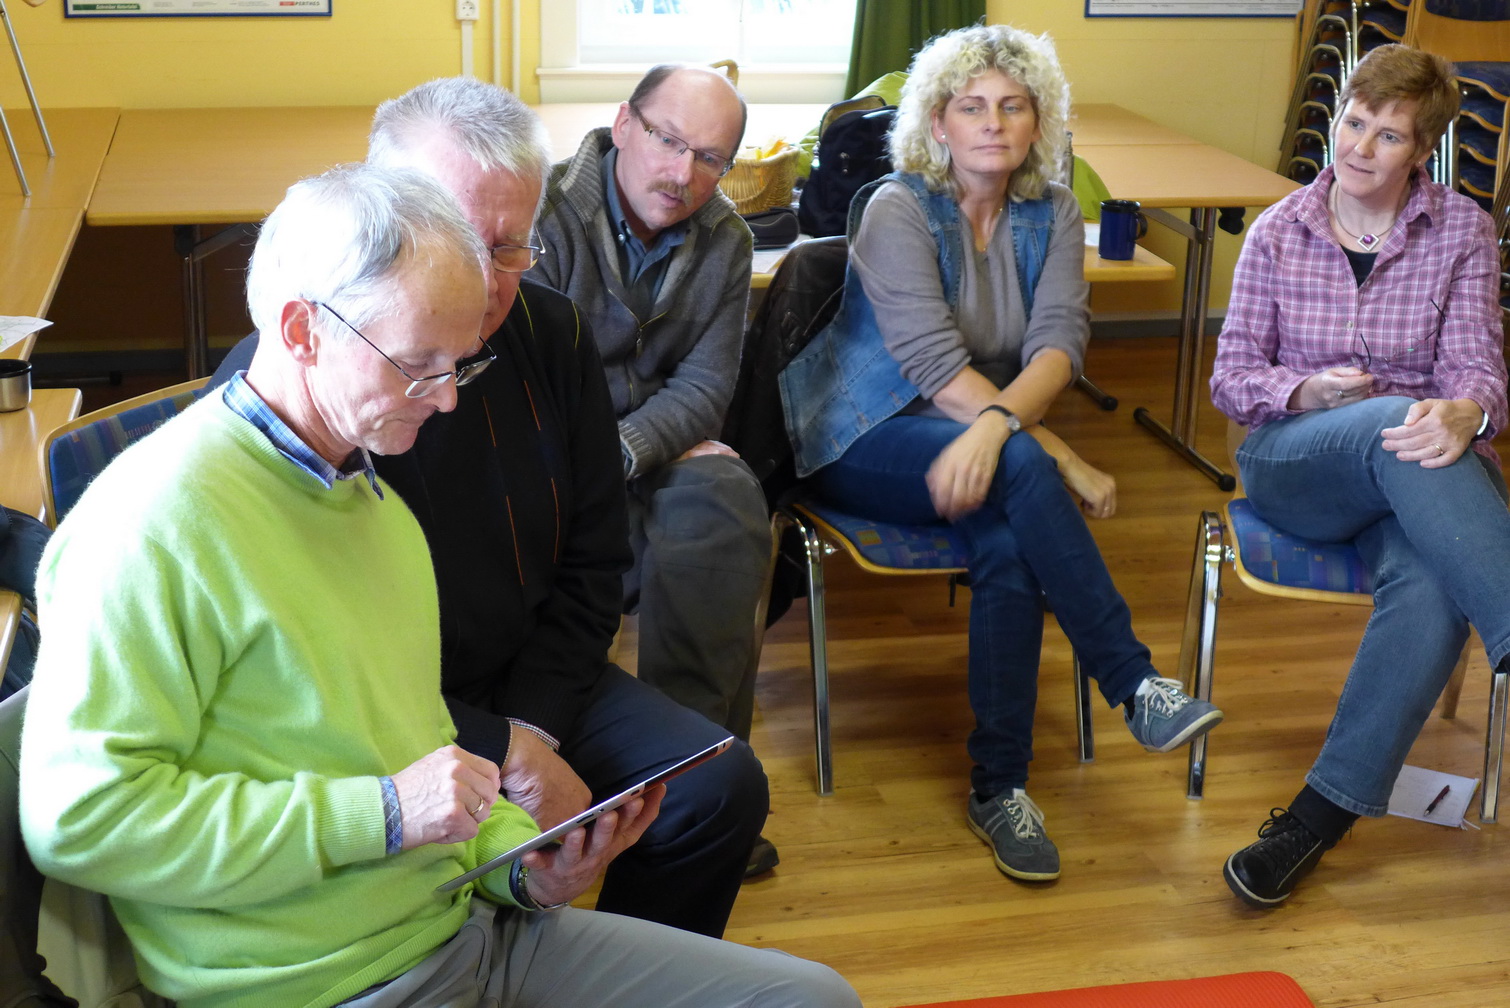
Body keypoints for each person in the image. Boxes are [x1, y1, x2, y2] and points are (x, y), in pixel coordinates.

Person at [18, 163, 859, 1008]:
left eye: (460, 364)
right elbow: (80, 821)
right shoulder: (151, 527)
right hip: (312, 984)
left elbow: (417, 751)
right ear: (303, 330)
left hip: (462, 929)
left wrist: (517, 862)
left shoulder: (371, 507)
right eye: (418, 365)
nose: (448, 401)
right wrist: (384, 815)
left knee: (814, 998)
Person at [208, 77, 770, 938]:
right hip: (370, 722)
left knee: (716, 788)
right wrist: (502, 750)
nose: (485, 279)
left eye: (512, 249)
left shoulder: (553, 332)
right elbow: (305, 672)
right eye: (458, 239)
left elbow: (594, 564)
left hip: (534, 681)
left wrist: (533, 728)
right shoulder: (308, 379)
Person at [778, 24, 1224, 883]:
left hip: (974, 440)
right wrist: (1043, 443)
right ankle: (1133, 682)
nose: (993, 123)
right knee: (1022, 470)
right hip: (862, 432)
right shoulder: (898, 207)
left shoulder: (1050, 210)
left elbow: (1061, 346)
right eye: (972, 107)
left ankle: (1000, 787)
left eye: (1013, 106)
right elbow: (931, 365)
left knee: (1010, 538)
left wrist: (994, 431)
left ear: (1037, 122)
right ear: (937, 124)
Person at [1211, 44, 1509, 909]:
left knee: (1431, 586)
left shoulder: (1463, 231)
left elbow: (1478, 370)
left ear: (1422, 151)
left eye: (1389, 134)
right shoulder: (1278, 229)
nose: (1360, 147)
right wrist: (1306, 390)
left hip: (1418, 474)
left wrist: (1469, 412)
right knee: (1397, 418)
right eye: (1354, 122)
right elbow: (1231, 379)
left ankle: (1314, 821)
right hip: (1293, 461)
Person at [529, 63, 777, 873]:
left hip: (644, 454)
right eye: (669, 141)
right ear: (623, 124)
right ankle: (585, 784)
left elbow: (705, 389)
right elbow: (528, 388)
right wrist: (604, 462)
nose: (683, 173)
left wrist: (629, 450)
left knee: (724, 496)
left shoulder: (727, 239)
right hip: (553, 468)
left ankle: (689, 785)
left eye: (710, 158)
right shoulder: (542, 215)